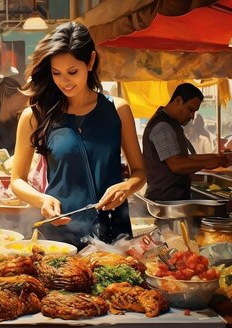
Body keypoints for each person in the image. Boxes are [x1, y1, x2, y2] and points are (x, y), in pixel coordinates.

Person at [10, 22, 146, 249]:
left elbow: (140, 172)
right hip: (61, 235)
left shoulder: (118, 110)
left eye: (72, 72)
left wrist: (127, 187)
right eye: (56, 73)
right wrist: (42, 200)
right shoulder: (34, 116)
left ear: (90, 61)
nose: (65, 81)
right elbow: (17, 180)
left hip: (114, 234)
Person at [143, 83, 232, 201]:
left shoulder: (171, 123)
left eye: (195, 112)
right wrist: (206, 164)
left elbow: (184, 158)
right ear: (178, 100)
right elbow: (177, 165)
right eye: (190, 110)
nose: (192, 116)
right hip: (165, 200)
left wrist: (217, 158)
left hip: (171, 199)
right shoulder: (163, 126)